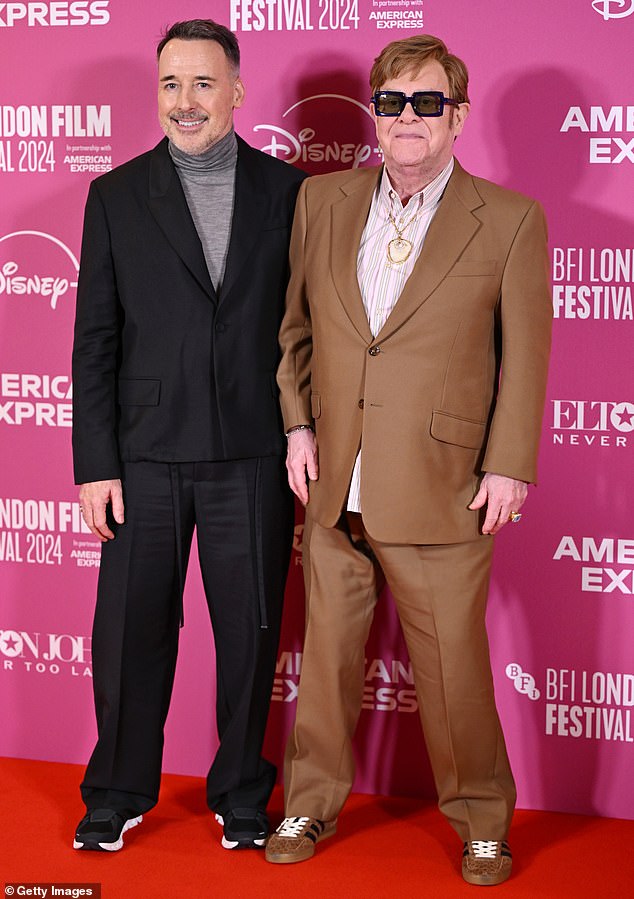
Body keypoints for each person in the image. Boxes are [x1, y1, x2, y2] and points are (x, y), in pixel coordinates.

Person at [265, 34, 551, 886]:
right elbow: (294, 333)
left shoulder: (509, 218)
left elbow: (526, 356)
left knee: (454, 671)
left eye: (427, 103)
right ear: (375, 115)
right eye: (391, 103)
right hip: (331, 477)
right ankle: (307, 802)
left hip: (443, 483)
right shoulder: (323, 201)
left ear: (457, 116)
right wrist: (297, 425)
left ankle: (483, 821)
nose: (407, 120)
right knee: (324, 662)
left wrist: (510, 465)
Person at [71, 19, 305, 853]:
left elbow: (304, 328)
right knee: (130, 631)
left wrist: (302, 431)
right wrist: (96, 464)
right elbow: (94, 340)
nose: (186, 101)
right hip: (143, 455)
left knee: (250, 636)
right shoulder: (115, 194)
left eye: (204, 83)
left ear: (239, 91)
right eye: (171, 84)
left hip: (253, 452)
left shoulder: (291, 192)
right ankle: (117, 788)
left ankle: (243, 790)